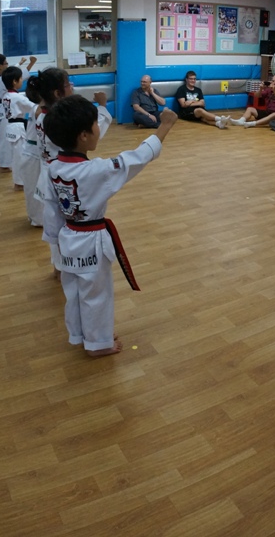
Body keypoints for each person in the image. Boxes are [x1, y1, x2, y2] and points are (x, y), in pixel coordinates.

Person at [41, 96, 177, 356]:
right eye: (95, 125)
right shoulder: (96, 170)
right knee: (97, 295)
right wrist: (165, 126)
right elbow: (137, 158)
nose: (98, 129)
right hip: (91, 241)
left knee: (75, 292)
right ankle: (98, 344)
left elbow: (51, 208)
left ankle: (82, 335)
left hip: (68, 237)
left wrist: (55, 243)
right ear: (83, 136)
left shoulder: (53, 167)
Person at [31, 69, 111, 270]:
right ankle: (62, 267)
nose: (72, 87)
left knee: (55, 219)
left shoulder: (42, 115)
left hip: (50, 172)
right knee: (62, 220)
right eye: (68, 85)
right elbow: (90, 135)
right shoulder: (60, 123)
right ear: (57, 93)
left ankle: (59, 265)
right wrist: (101, 107)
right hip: (63, 175)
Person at [1, 65, 37, 191]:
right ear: (14, 81)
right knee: (21, 156)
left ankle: (18, 181)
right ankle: (20, 183)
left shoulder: (6, 96)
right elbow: (33, 107)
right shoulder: (17, 97)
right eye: (21, 79)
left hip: (10, 126)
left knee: (15, 156)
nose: (22, 81)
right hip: (18, 127)